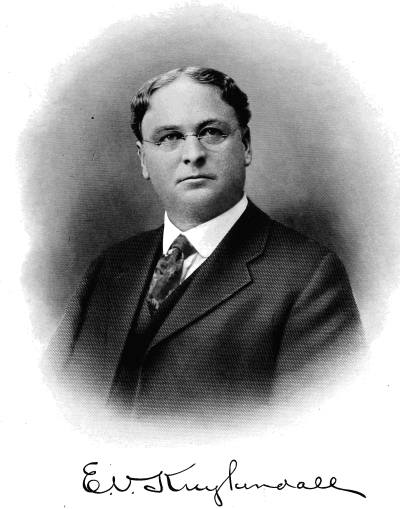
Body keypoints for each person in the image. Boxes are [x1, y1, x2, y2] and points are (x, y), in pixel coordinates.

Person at [45, 66, 363, 420]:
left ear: (245, 146)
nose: (193, 154)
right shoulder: (112, 265)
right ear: (143, 160)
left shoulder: (307, 277)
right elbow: (47, 403)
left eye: (211, 132)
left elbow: (316, 431)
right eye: (169, 137)